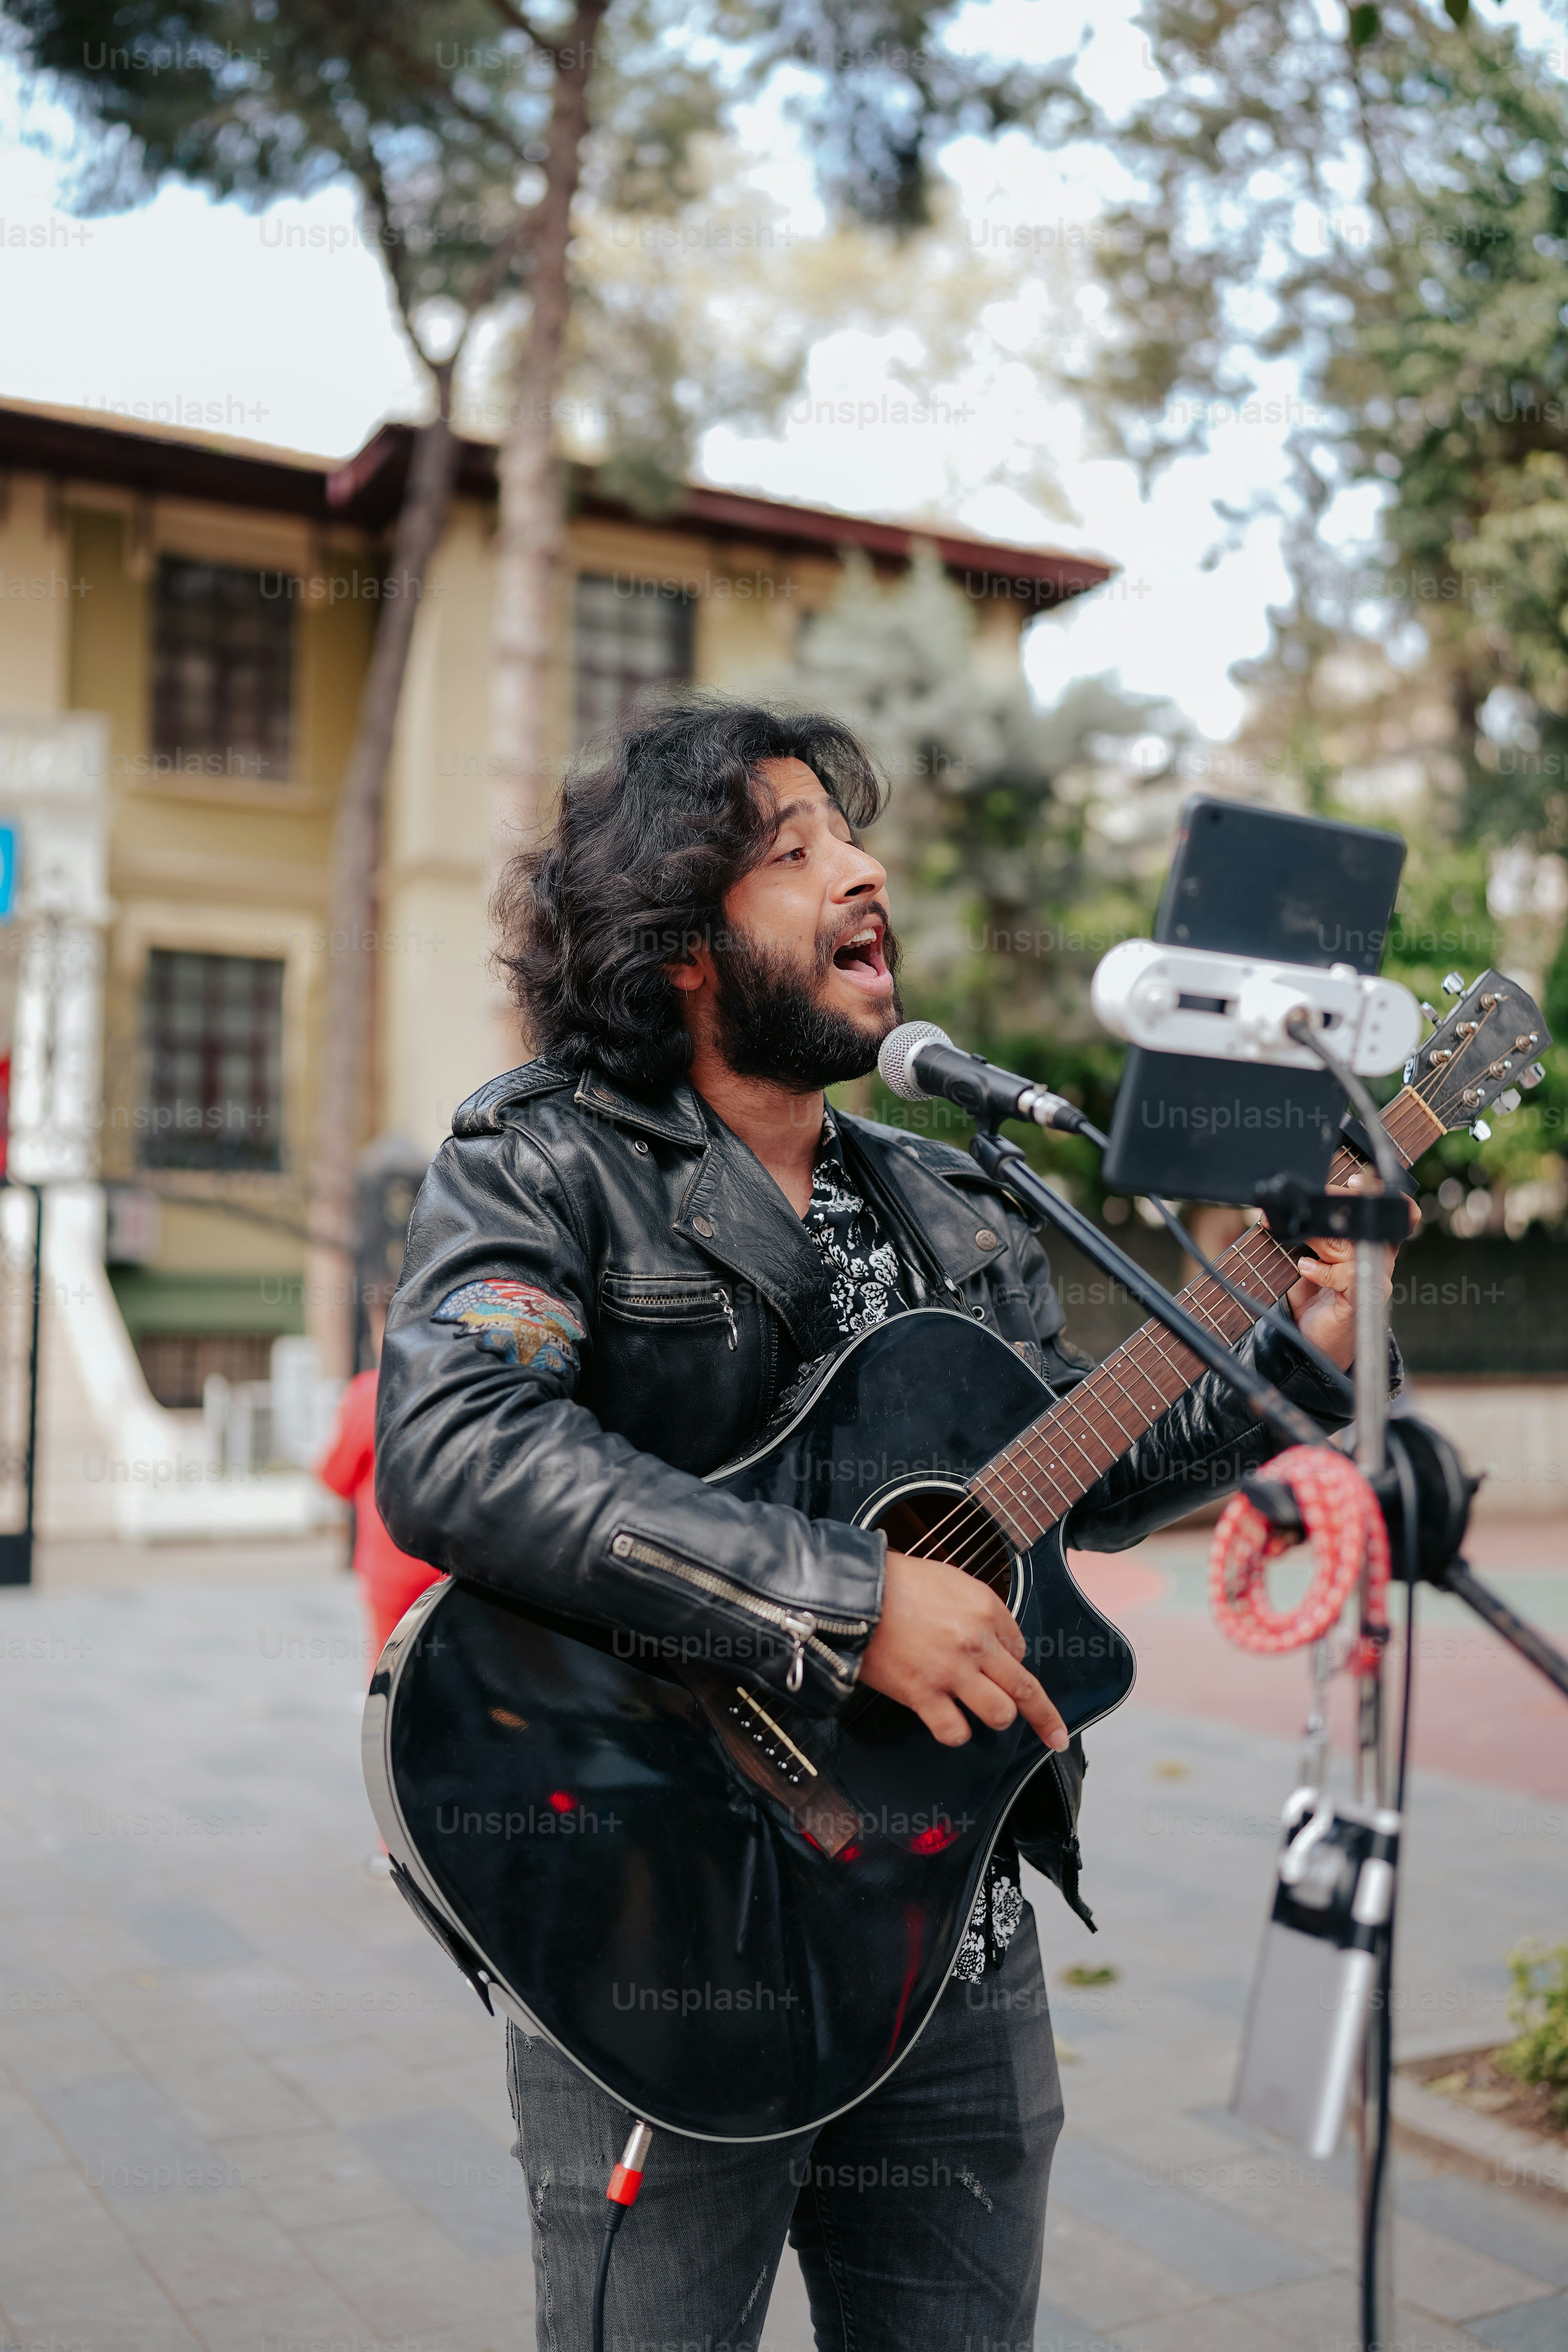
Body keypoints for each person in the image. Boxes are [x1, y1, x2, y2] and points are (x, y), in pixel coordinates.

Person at [374, 697, 1396, 2352]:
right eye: (793, 852)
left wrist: (1290, 1338)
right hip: (658, 1936)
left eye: (852, 838)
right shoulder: (540, 1160)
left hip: (944, 1934)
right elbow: (454, 1444)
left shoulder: (947, 1198)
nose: (863, 871)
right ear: (681, 946)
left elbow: (1092, 1469)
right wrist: (847, 1598)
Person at [317, 1312, 443, 1673]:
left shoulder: (369, 1391)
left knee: (393, 1679)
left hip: (391, 1563)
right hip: (454, 1560)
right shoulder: (459, 1384)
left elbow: (335, 1475)